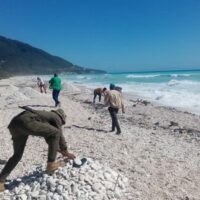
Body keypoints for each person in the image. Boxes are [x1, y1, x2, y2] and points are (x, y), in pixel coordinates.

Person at [0, 107, 75, 192]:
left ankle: (0, 182)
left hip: (14, 124)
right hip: (26, 122)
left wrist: (58, 149)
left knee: (17, 155)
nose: (61, 124)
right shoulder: (56, 117)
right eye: (62, 123)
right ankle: (51, 164)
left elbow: (50, 138)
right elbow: (59, 135)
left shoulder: (44, 116)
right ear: (61, 117)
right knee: (56, 132)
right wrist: (65, 151)